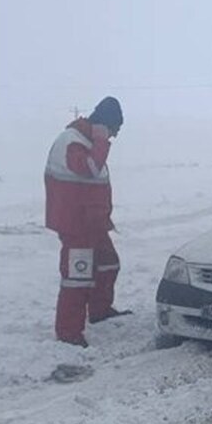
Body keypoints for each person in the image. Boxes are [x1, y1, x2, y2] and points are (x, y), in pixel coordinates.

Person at [44, 97, 129, 347]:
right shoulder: (72, 141)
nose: (113, 136)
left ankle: (100, 310)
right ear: (105, 125)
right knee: (77, 277)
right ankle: (68, 332)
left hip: (93, 223)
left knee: (108, 264)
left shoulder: (88, 141)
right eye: (113, 130)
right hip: (76, 226)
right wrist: (102, 140)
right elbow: (89, 169)